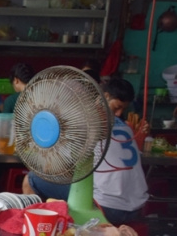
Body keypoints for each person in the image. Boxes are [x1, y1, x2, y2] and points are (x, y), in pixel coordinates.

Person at [23, 78, 148, 225]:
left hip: (107, 207)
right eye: (116, 108)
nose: (119, 114)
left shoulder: (85, 125)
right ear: (105, 96)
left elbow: (59, 168)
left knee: (32, 179)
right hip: (138, 206)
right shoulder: (126, 127)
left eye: (122, 109)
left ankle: (34, 225)